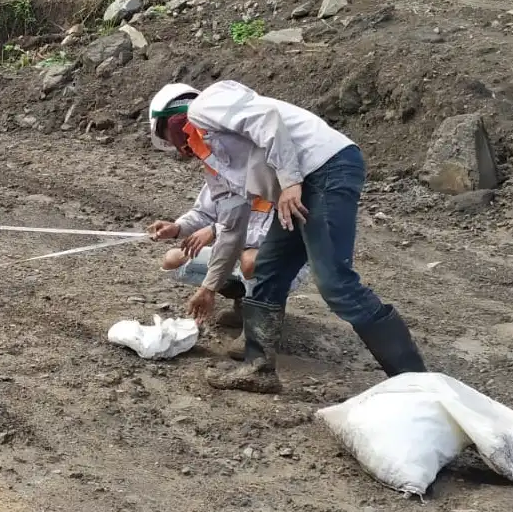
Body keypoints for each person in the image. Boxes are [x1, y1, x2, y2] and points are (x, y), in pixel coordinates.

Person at [148, 80, 426, 394]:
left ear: (173, 119)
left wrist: (290, 180)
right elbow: (231, 229)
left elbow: (266, 118)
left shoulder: (206, 105)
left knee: (335, 283)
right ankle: (259, 369)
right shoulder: (218, 166)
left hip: (326, 166)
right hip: (299, 184)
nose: (180, 147)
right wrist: (209, 287)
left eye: (170, 136)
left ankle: (416, 381)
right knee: (269, 270)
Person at [148, 183, 312, 357]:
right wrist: (177, 228)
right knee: (173, 260)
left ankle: (258, 326)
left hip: (280, 262)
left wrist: (215, 230)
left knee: (250, 261)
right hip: (236, 250)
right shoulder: (226, 172)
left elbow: (274, 238)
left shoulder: (287, 182)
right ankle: (243, 305)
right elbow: (203, 213)